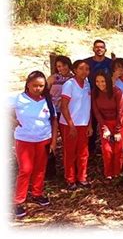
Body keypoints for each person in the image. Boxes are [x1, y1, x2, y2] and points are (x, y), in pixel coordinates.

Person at [12, 71, 58, 218]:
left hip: (43, 139)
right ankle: (19, 201)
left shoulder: (47, 100)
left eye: (41, 86)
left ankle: (37, 193)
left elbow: (54, 120)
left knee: (40, 169)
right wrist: (13, 121)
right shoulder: (19, 99)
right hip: (24, 140)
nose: (38, 88)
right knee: (25, 170)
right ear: (28, 85)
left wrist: (54, 141)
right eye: (35, 85)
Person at [59, 60, 93, 190]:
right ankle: (70, 179)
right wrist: (71, 125)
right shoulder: (69, 84)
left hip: (83, 123)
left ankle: (82, 177)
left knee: (83, 152)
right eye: (81, 68)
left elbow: (87, 106)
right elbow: (64, 106)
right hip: (69, 124)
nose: (84, 71)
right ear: (75, 70)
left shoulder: (87, 84)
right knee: (70, 152)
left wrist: (89, 124)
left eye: (87, 69)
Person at [92, 70, 123, 181]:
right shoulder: (95, 92)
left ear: (107, 81)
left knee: (118, 148)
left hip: (119, 121)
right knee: (107, 149)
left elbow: (120, 111)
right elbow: (96, 111)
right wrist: (104, 127)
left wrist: (117, 130)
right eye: (97, 81)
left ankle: (117, 172)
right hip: (105, 122)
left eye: (103, 81)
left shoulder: (117, 92)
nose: (100, 84)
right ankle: (108, 172)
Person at [84, 39, 113, 156]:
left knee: (106, 122)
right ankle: (90, 150)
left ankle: (108, 149)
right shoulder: (87, 62)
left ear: (105, 49)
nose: (99, 49)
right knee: (91, 122)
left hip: (106, 97)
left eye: (101, 47)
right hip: (89, 96)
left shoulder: (110, 63)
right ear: (93, 49)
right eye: (97, 47)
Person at [47, 55, 74, 119]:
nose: (62, 68)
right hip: (54, 110)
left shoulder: (74, 79)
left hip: (70, 111)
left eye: (64, 65)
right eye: (59, 66)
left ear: (68, 65)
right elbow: (45, 93)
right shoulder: (52, 78)